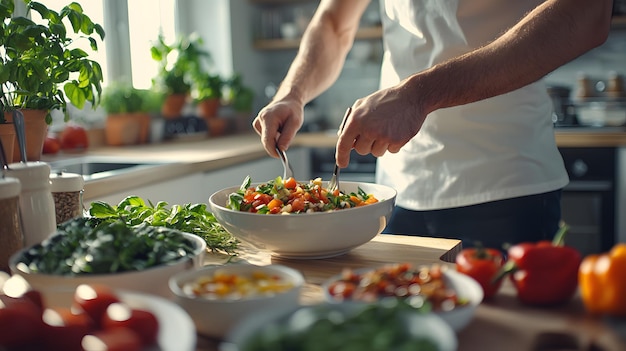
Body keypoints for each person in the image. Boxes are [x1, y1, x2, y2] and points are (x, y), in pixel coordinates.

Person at [252, 0, 613, 249]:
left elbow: (588, 14)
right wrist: (292, 93)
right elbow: (334, 22)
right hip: (397, 193)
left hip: (504, 185)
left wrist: (418, 95)